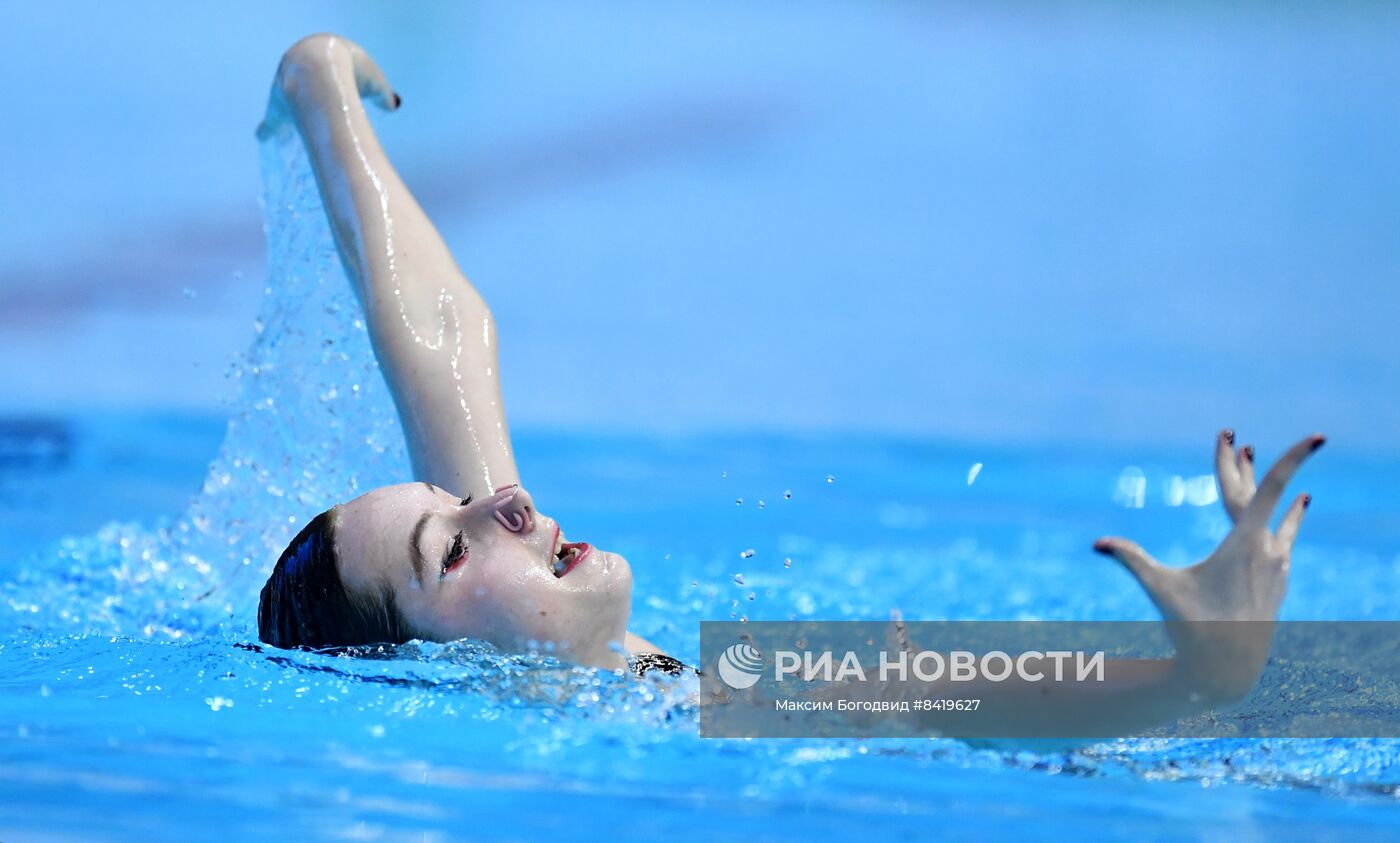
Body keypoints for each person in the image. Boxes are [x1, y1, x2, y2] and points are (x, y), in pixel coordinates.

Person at [254, 35, 1323, 724]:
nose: (500, 499)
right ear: (426, 677)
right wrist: (1200, 679)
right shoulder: (686, 713)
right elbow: (969, 708)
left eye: (455, 499)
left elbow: (446, 342)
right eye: (448, 545)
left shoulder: (585, 660)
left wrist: (327, 108)